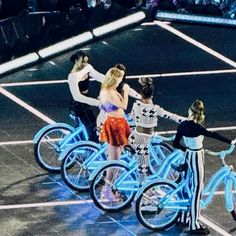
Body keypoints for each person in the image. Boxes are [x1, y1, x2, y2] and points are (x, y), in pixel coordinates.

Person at [173, 99, 236, 235]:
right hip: (196, 157)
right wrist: (230, 141)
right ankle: (194, 223)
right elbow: (213, 135)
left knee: (187, 186)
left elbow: (176, 144)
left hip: (188, 155)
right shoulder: (198, 127)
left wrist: (188, 150)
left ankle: (183, 217)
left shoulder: (182, 125)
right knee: (197, 189)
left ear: (190, 111)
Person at [129, 77, 185, 184]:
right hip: (143, 140)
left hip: (134, 136)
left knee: (140, 163)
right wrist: (185, 120)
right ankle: (141, 193)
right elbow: (171, 116)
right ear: (152, 95)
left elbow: (133, 117)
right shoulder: (155, 109)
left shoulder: (136, 105)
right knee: (143, 170)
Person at [99, 67, 131, 199]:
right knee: (114, 161)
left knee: (115, 159)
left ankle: (110, 189)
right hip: (115, 125)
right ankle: (107, 190)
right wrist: (126, 92)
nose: (120, 82)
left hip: (118, 123)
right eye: (118, 80)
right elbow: (123, 105)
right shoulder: (108, 92)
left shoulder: (109, 90)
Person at [68, 51, 104, 142]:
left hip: (84, 100)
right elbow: (77, 96)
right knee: (92, 126)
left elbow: (100, 77)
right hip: (78, 103)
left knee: (82, 127)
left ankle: (76, 148)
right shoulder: (73, 76)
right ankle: (92, 149)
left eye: (86, 61)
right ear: (76, 61)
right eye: (82, 61)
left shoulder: (87, 68)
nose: (84, 64)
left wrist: (112, 81)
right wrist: (96, 102)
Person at [96, 63, 141, 131]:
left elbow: (131, 92)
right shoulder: (108, 88)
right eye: (119, 75)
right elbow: (123, 105)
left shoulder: (120, 86)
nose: (121, 78)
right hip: (106, 121)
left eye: (122, 75)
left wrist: (141, 97)